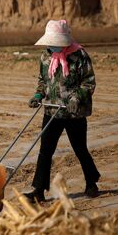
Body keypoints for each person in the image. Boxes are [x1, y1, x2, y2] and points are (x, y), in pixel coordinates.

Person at [24, 20, 100, 202]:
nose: (52, 46)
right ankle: (38, 190)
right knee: (45, 151)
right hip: (52, 111)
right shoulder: (46, 57)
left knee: (80, 148)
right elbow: (43, 81)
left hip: (74, 113)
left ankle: (91, 183)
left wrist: (76, 98)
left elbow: (89, 82)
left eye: (55, 42)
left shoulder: (80, 55)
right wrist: (37, 95)